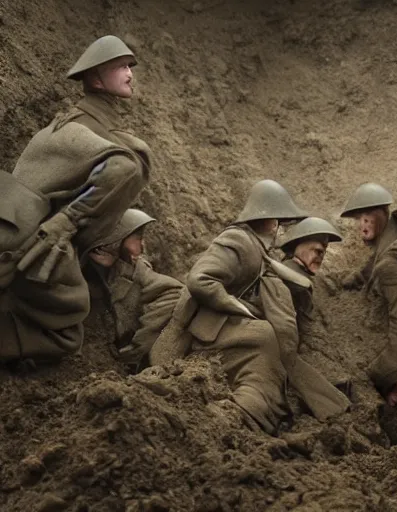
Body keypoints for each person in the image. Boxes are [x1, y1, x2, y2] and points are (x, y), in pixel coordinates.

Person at [0, 35, 151, 362]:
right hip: (26, 235)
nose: (129, 73)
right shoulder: (79, 126)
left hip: (23, 227)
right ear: (97, 79)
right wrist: (67, 221)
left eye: (130, 66)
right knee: (69, 321)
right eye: (120, 67)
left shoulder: (86, 123)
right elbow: (122, 167)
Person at [149, 179, 309, 434]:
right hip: (202, 333)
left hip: (214, 331)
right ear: (268, 221)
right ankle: (235, 418)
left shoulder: (255, 248)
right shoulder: (238, 240)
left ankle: (249, 413)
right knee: (262, 340)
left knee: (265, 358)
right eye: (278, 221)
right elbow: (200, 279)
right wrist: (238, 308)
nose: (279, 229)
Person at [340, 183, 397, 407]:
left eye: (367, 219)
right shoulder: (391, 236)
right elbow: (373, 262)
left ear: (382, 216)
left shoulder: (389, 265)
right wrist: (353, 279)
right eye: (360, 219)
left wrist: (381, 373)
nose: (362, 226)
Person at [82, 209, 183, 371]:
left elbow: (174, 292)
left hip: (116, 362)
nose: (141, 247)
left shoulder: (134, 269)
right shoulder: (79, 262)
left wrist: (136, 349)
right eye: (137, 239)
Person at [275, 217, 352, 419]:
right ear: (296, 246)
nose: (321, 255)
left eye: (324, 251)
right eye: (317, 250)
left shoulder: (301, 274)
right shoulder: (291, 276)